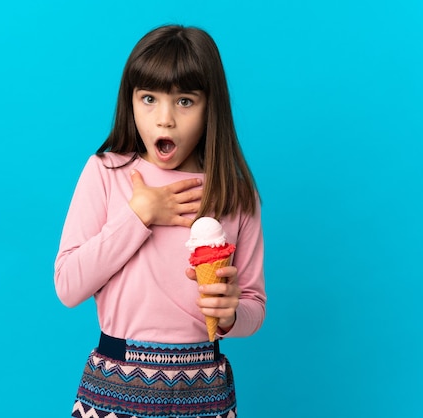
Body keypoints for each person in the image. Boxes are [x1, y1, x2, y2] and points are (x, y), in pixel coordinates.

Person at [54, 24, 266, 418]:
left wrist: (231, 314)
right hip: (115, 384)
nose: (164, 119)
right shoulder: (106, 173)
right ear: (130, 101)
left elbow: (253, 304)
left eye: (185, 101)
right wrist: (139, 215)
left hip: (205, 389)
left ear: (211, 107)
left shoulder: (235, 195)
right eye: (149, 98)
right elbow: (68, 286)